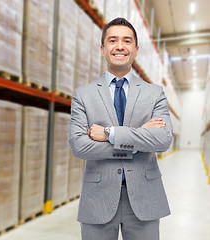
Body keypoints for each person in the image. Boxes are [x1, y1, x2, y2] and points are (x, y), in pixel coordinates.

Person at [68, 17, 173, 240]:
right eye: (112, 40)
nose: (120, 46)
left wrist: (109, 134)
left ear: (135, 49)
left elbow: (163, 139)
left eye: (127, 41)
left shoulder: (154, 93)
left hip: (145, 199)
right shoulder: (83, 95)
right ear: (102, 48)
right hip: (97, 198)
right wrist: (137, 141)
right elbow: (79, 146)